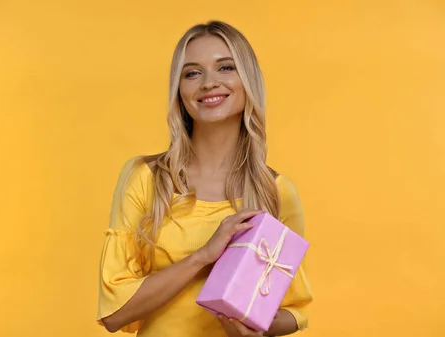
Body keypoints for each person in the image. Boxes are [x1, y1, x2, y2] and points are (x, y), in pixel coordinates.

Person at [96, 20, 312, 336]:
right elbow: (114, 314)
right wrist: (203, 257)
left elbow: (294, 311)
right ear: (180, 90)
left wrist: (258, 330)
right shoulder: (147, 178)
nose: (208, 83)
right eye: (192, 73)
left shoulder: (276, 191)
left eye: (225, 68)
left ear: (247, 80)